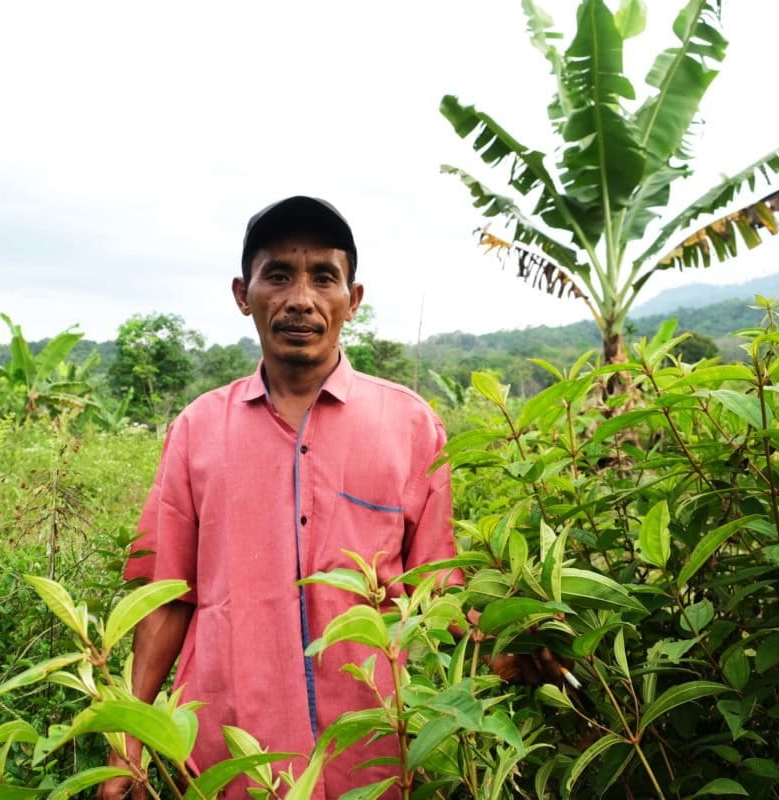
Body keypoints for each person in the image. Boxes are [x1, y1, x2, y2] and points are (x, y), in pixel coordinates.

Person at [100, 197, 544, 800]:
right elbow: (166, 595)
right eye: (278, 275)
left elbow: (434, 589)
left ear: (352, 299)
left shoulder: (411, 426)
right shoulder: (197, 429)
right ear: (243, 293)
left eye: (323, 277)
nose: (300, 299)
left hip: (378, 756)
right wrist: (129, 734)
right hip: (230, 759)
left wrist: (501, 649)